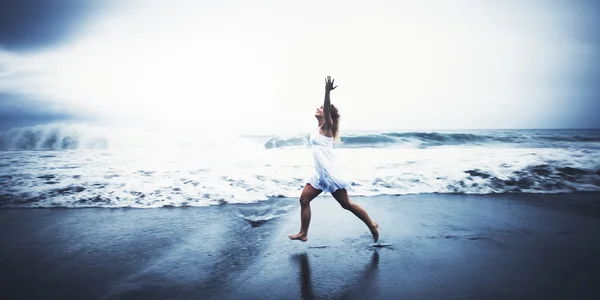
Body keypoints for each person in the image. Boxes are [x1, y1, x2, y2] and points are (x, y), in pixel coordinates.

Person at [288, 76, 379, 243]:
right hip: (320, 175)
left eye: (322, 108)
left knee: (346, 205)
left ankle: (372, 225)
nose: (318, 108)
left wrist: (327, 92)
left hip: (330, 175)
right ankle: (303, 233)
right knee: (304, 199)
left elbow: (329, 112)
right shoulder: (319, 129)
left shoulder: (327, 127)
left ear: (328, 114)